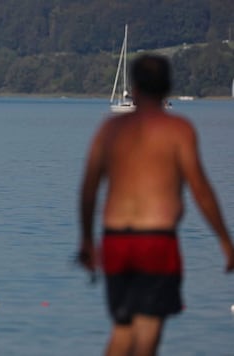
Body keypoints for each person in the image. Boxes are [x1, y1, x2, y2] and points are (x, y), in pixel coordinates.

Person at [78, 54, 234, 356]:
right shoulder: (177, 130)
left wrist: (86, 239)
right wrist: (225, 241)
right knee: (147, 334)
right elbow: (200, 189)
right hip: (155, 240)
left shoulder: (109, 130)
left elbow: (88, 189)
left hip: (115, 239)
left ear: (133, 89)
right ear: (167, 88)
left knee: (122, 331)